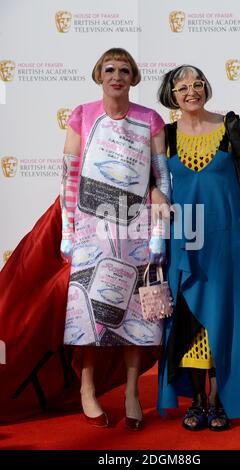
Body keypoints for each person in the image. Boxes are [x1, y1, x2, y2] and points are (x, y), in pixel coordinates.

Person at [0, 48, 170, 430]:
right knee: (87, 315)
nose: (117, 76)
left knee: (137, 316)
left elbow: (162, 180)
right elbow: (69, 180)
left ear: (134, 77)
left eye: (125, 70)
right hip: (92, 229)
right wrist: (68, 232)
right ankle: (87, 390)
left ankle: (131, 391)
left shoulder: (151, 120)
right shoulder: (81, 116)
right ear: (98, 75)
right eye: (110, 69)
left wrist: (159, 233)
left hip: (136, 229)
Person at [156, 65, 240, 431]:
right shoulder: (166, 134)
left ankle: (220, 401)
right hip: (185, 237)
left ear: (206, 88)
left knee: (226, 318)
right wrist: (156, 194)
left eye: (197, 84)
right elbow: (153, 181)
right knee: (188, 320)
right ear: (171, 96)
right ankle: (198, 401)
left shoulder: (230, 126)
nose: (192, 91)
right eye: (182, 87)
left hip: (227, 237)